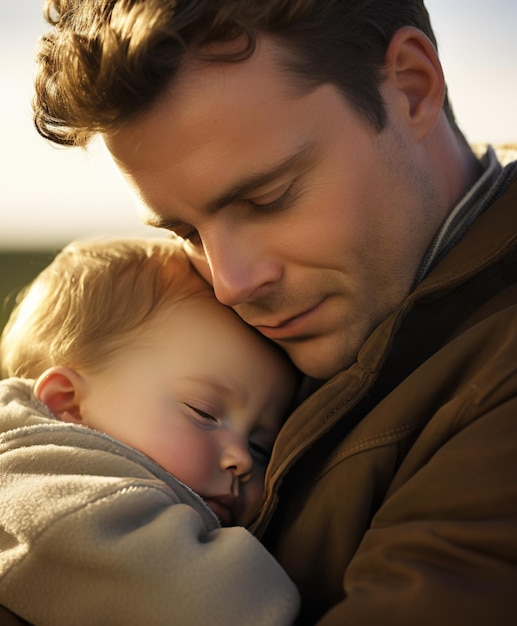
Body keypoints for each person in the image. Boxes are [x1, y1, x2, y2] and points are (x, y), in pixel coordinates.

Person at [31, 1, 517, 624]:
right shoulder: (207, 323)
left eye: (268, 200)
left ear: (411, 87)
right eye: (185, 231)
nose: (230, 284)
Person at [0, 237, 300, 625]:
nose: (241, 460)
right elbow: (219, 603)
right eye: (204, 413)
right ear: (68, 403)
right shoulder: (60, 492)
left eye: (261, 447)